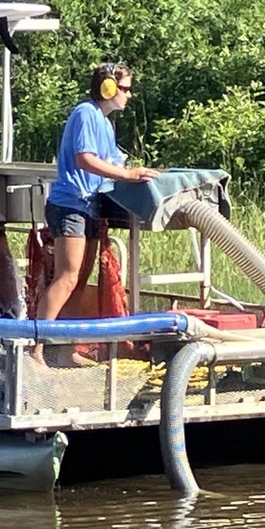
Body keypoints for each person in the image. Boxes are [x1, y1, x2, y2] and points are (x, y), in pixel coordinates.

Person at [37, 63, 159, 337]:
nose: (129, 95)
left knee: (79, 281)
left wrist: (136, 173)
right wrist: (127, 174)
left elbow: (111, 162)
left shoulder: (104, 122)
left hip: (88, 205)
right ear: (109, 88)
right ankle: (38, 347)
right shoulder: (85, 114)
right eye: (125, 89)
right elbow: (85, 158)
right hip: (70, 204)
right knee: (66, 278)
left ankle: (64, 347)